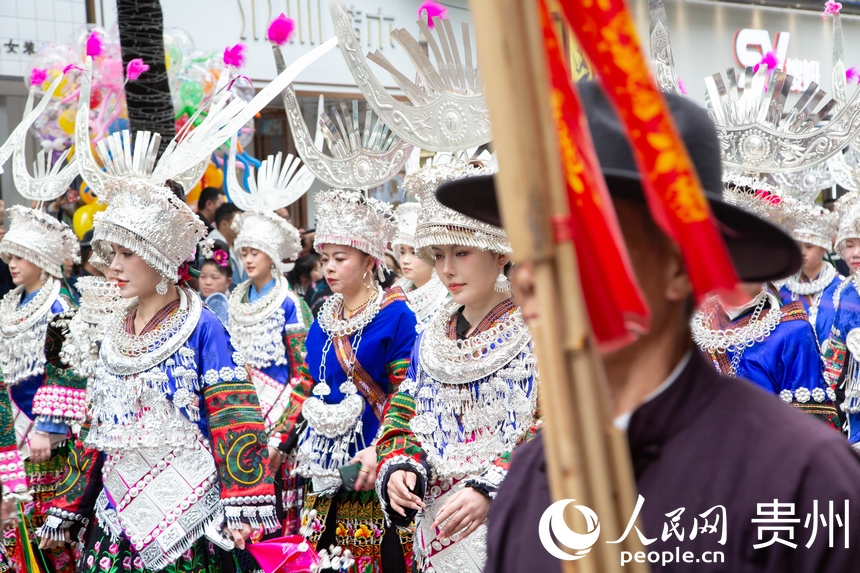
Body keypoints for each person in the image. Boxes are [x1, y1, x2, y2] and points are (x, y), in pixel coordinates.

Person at [448, 82, 860, 572]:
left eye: (578, 241)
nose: (530, 278)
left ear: (681, 266)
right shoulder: (531, 479)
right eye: (531, 245)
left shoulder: (805, 479)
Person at [37, 177, 279, 572]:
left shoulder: (203, 327)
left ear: (161, 255)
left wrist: (243, 503)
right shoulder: (115, 329)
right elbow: (98, 423)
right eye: (113, 253)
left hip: (190, 513)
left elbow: (234, 416)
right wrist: (68, 505)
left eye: (127, 253)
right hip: (116, 512)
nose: (114, 266)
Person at [376, 162, 539, 573]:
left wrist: (492, 485)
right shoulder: (432, 334)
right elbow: (405, 409)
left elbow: (560, 424)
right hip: (438, 527)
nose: (447, 269)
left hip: (517, 520)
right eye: (439, 255)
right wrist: (401, 465)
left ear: (501, 252)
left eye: (461, 252)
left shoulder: (538, 328)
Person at [273, 190, 417, 572]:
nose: (329, 268)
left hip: (369, 464)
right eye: (325, 259)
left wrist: (382, 449)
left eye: (341, 258)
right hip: (321, 470)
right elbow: (306, 383)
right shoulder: (324, 316)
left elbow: (406, 390)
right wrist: (279, 441)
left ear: (369, 259)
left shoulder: (397, 316)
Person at [0, 206, 84, 573]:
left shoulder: (60, 304)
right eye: (10, 256)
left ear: (39, 257)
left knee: (45, 529)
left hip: (44, 436)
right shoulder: (11, 303)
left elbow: (68, 369)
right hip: (12, 425)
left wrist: (48, 427)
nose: (12, 264)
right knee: (15, 525)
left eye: (19, 256)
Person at [779, 204, 842, 344]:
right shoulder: (783, 290)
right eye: (797, 246)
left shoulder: (840, 288)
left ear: (824, 248)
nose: (802, 252)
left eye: (809, 246)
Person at [391, 201, 450, 332]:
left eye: (414, 253)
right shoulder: (396, 293)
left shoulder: (447, 299)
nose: (405, 260)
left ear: (431, 255)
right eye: (402, 252)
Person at [208, 202, 247, 288]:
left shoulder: (235, 245)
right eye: (238, 222)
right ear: (224, 224)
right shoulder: (211, 246)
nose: (241, 226)